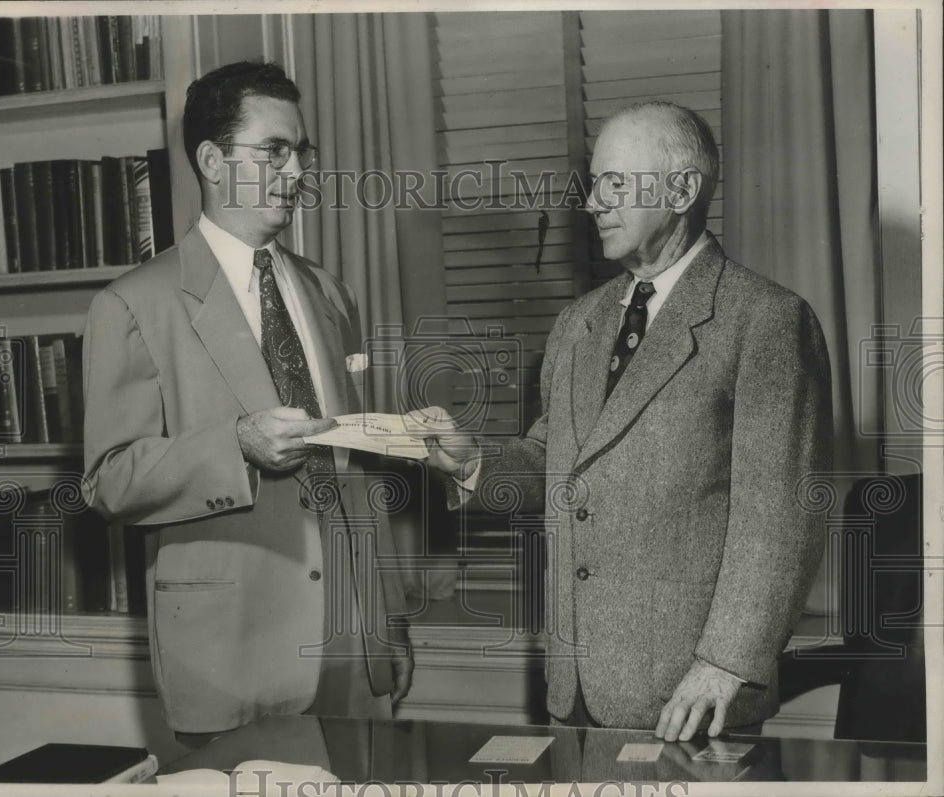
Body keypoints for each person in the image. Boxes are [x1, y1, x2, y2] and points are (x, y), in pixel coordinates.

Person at [412, 101, 833, 741]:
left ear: (683, 189)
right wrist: (473, 462)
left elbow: (780, 517)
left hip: (692, 698)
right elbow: (555, 459)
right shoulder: (577, 322)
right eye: (593, 184)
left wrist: (724, 666)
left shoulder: (765, 320)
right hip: (573, 682)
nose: (592, 204)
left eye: (615, 183)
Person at [82, 61, 412, 743]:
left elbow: (361, 473)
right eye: (275, 151)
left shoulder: (329, 292)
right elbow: (109, 479)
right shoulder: (133, 304)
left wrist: (390, 621)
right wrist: (235, 443)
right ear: (211, 158)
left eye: (301, 151)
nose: (297, 171)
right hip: (231, 660)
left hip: (353, 652)